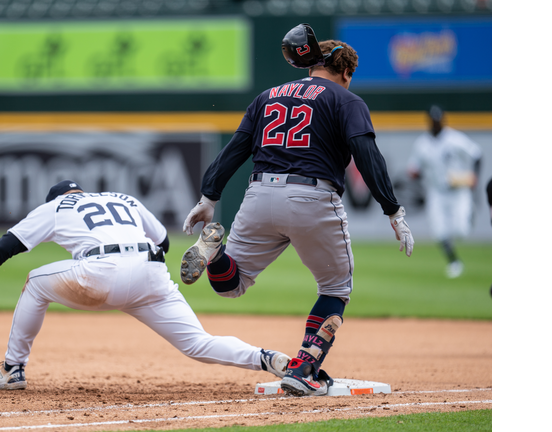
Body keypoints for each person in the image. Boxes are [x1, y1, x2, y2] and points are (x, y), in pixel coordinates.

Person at [179, 24, 414, 397]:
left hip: (259, 194)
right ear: (347, 72)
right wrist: (393, 210)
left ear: (310, 65)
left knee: (231, 284)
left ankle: (214, 251)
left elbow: (236, 149)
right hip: (312, 197)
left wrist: (209, 197)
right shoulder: (345, 99)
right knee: (336, 287)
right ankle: (304, 367)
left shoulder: (267, 96)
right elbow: (367, 155)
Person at [0, 180, 292, 390]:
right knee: (197, 343)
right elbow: (164, 244)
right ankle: (268, 358)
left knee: (35, 282)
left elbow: (4, 247)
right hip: (150, 271)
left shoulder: (58, 206)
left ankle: (13, 369)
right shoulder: (122, 198)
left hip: (100, 272)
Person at [407, 105, 482, 278]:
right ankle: (454, 261)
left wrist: (474, 177)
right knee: (439, 231)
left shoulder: (454, 139)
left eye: (438, 120)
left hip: (458, 191)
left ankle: (471, 211)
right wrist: (414, 173)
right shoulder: (422, 144)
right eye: (433, 121)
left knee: (461, 230)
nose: (436, 124)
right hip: (437, 192)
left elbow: (477, 155)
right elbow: (414, 168)